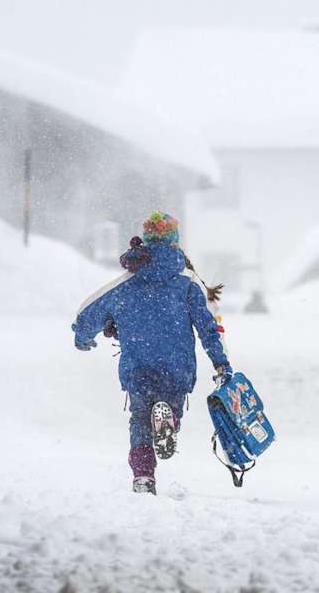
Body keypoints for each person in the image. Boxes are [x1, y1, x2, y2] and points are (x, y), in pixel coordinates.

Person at [72, 212, 233, 494]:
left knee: (138, 419)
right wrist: (220, 363)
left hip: (138, 365)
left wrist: (83, 337)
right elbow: (209, 327)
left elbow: (91, 311)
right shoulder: (187, 282)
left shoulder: (127, 282)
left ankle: (144, 476)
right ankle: (169, 417)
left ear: (145, 242)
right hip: (176, 366)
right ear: (174, 242)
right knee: (169, 411)